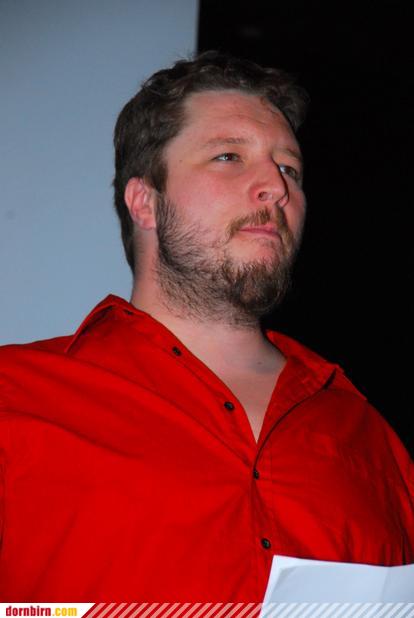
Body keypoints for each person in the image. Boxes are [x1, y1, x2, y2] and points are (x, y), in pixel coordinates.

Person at [0, 51, 413, 602]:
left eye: (289, 169)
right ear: (145, 202)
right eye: (228, 156)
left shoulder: (370, 436)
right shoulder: (13, 398)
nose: (276, 187)